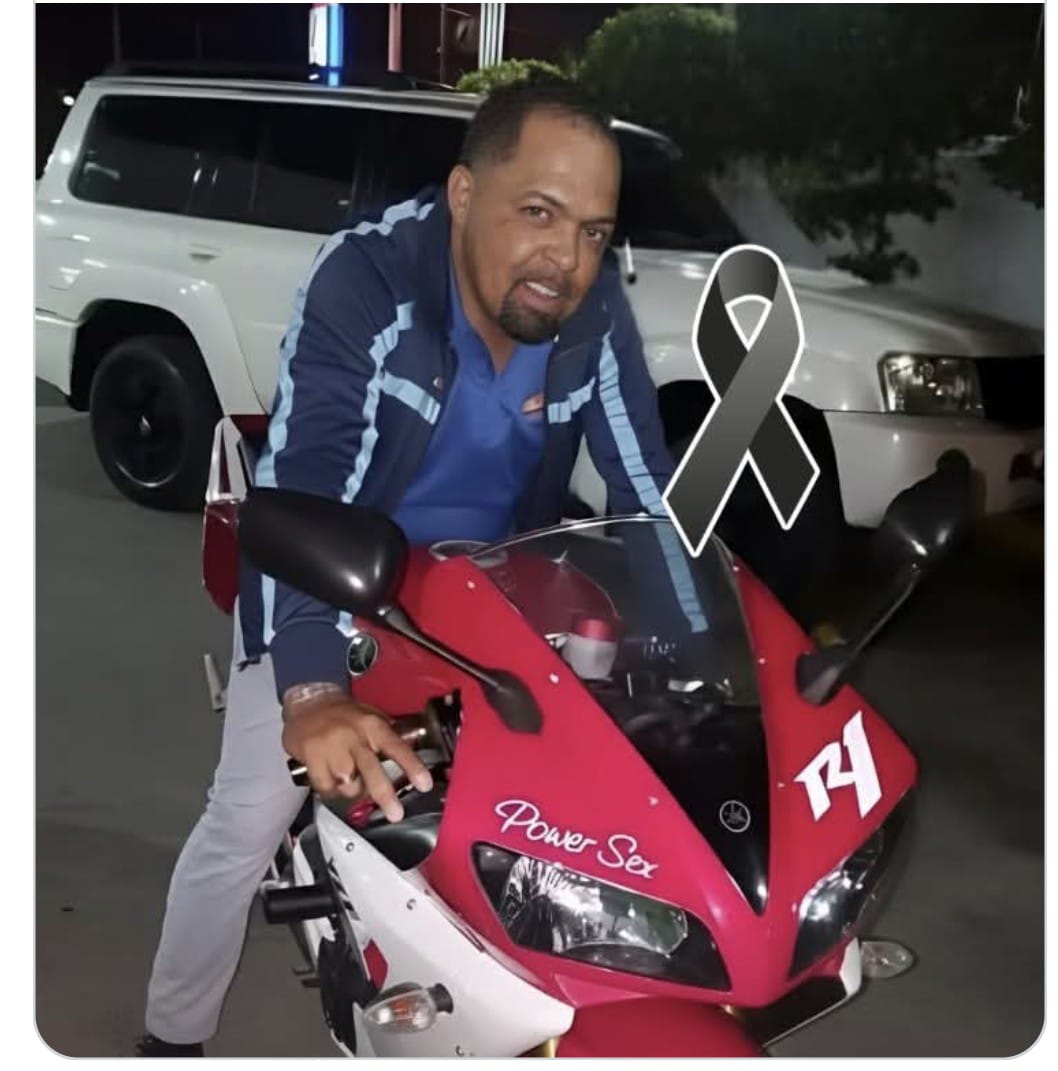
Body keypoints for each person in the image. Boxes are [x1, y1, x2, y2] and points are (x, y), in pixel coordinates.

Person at [137, 78, 680, 1057]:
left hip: (489, 594)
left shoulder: (591, 311)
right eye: (539, 213)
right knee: (249, 814)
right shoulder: (370, 278)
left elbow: (647, 492)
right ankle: (170, 1034)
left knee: (570, 804)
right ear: (464, 194)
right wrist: (310, 689)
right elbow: (306, 485)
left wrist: (698, 640)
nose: (567, 259)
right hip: (331, 577)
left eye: (594, 232)